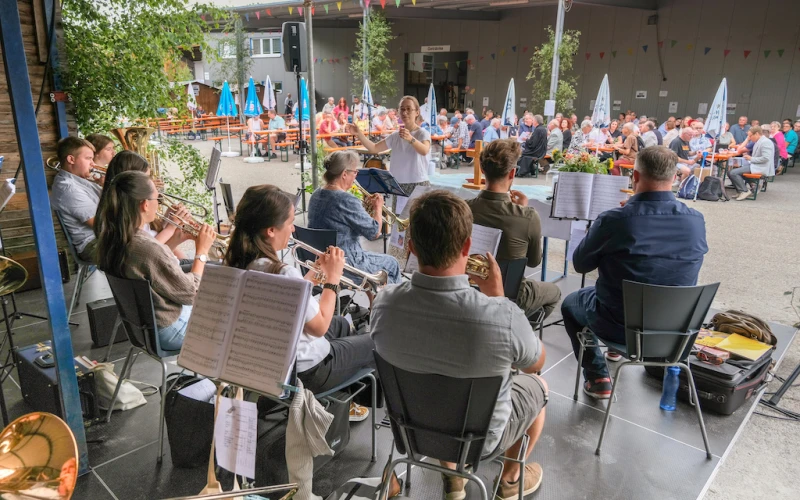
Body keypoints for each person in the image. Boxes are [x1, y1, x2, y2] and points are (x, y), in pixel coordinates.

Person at [372, 190, 548, 500]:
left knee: (438, 382)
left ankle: (454, 480)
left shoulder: (383, 304)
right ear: (468, 246)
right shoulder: (501, 314)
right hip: (481, 441)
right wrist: (497, 298)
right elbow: (534, 362)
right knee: (538, 384)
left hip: (412, 433)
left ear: (411, 247)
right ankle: (509, 478)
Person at [562, 146, 708, 398]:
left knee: (571, 304)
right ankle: (615, 352)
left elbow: (580, 264)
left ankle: (598, 377)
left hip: (618, 326)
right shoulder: (695, 220)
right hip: (675, 333)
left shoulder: (614, 220)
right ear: (673, 178)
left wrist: (602, 225)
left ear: (636, 177)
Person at [224, 184, 374, 421]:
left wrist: (312, 276)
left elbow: (287, 303)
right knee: (375, 342)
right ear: (271, 230)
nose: (293, 229)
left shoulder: (240, 264)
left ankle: (345, 404)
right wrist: (332, 280)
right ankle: (350, 402)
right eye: (290, 222)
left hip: (269, 362)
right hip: (306, 370)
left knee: (342, 325)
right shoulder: (283, 273)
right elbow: (319, 327)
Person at [95, 171, 215, 350]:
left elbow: (149, 265)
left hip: (143, 329)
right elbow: (191, 292)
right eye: (157, 200)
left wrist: (177, 239)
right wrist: (202, 251)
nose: (158, 205)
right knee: (228, 313)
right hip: (169, 329)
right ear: (144, 204)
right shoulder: (146, 247)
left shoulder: (112, 237)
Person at [467, 139, 562, 319]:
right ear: (512, 173)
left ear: (482, 169)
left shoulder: (463, 209)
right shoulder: (527, 216)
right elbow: (534, 261)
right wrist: (523, 211)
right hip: (511, 295)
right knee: (555, 292)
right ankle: (519, 332)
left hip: (469, 291)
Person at [308, 151, 401, 284]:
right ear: (344, 174)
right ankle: (386, 303)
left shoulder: (316, 194)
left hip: (318, 259)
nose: (356, 176)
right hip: (346, 263)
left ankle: (373, 300)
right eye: (355, 172)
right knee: (392, 263)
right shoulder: (346, 200)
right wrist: (378, 208)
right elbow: (374, 233)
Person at [100, 151, 191, 262]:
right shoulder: (122, 219)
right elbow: (147, 252)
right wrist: (171, 228)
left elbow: (150, 239)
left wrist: (168, 220)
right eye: (146, 178)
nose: (151, 182)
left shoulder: (130, 212)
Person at [346, 96, 432, 206]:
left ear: (417, 112)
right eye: (402, 109)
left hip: (418, 183)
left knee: (418, 221)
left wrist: (411, 139)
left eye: (409, 109)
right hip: (398, 185)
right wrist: (359, 134)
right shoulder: (395, 136)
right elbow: (374, 148)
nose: (405, 112)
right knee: (399, 221)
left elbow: (424, 150)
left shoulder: (422, 133)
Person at [50, 137, 102, 262]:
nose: (93, 164)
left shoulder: (80, 179)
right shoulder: (68, 188)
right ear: (71, 159)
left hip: (102, 238)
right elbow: (100, 225)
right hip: (93, 244)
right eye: (88, 158)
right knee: (149, 247)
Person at [729, 126, 774, 201]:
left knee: (733, 173)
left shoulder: (766, 142)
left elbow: (766, 158)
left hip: (761, 167)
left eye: (750, 136)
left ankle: (744, 191)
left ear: (756, 134)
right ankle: (741, 190)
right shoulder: (759, 141)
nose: (749, 138)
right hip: (756, 165)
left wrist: (751, 158)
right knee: (731, 172)